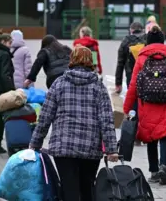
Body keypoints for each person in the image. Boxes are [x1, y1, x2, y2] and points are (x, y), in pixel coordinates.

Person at [30, 45, 119, 201]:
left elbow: (45, 117)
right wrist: (111, 149)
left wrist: (35, 143)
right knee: (87, 188)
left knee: (68, 188)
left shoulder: (59, 83)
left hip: (63, 147)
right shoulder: (98, 86)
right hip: (90, 148)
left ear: (72, 60)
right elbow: (107, 120)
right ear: (90, 62)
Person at [123, 25, 166, 185]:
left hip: (146, 104)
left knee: (150, 136)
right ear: (163, 41)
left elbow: (133, 85)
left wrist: (127, 107)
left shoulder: (142, 58)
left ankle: (154, 171)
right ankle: (164, 165)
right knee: (164, 134)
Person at [115, 21, 147, 146]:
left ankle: (134, 135)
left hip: (131, 77)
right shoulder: (147, 40)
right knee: (145, 105)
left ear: (131, 29)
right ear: (142, 29)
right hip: (148, 77)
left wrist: (118, 83)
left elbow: (120, 64)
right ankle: (146, 134)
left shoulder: (126, 41)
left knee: (133, 105)